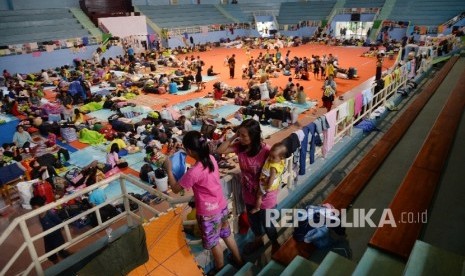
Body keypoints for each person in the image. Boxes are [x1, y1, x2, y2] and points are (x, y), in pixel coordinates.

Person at [163, 131, 242, 272]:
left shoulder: (194, 172)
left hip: (208, 213)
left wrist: (169, 170)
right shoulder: (211, 158)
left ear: (189, 151)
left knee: (214, 243)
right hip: (222, 206)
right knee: (227, 234)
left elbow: (175, 189)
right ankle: (239, 261)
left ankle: (220, 269)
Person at [216, 119, 280, 254]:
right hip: (249, 195)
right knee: (254, 224)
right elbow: (219, 150)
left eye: (244, 135)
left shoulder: (267, 151)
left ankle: (275, 244)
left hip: (265, 196)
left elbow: (273, 174)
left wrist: (261, 195)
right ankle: (258, 241)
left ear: (254, 136)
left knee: (269, 225)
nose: (241, 138)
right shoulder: (240, 146)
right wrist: (234, 136)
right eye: (240, 134)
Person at [30, 196, 71, 264]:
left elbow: (59, 221)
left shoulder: (49, 213)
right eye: (33, 208)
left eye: (34, 207)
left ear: (41, 206)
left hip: (56, 236)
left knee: (61, 251)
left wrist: (60, 229)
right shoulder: (40, 214)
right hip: (47, 237)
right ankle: (57, 266)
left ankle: (69, 263)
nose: (33, 210)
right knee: (50, 255)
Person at [251, 143, 287, 214]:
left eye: (273, 157)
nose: (270, 158)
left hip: (266, 184)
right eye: (270, 155)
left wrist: (268, 187)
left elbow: (272, 178)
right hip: (267, 181)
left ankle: (257, 208)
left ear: (281, 158)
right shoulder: (279, 160)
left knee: (259, 195)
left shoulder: (273, 167)